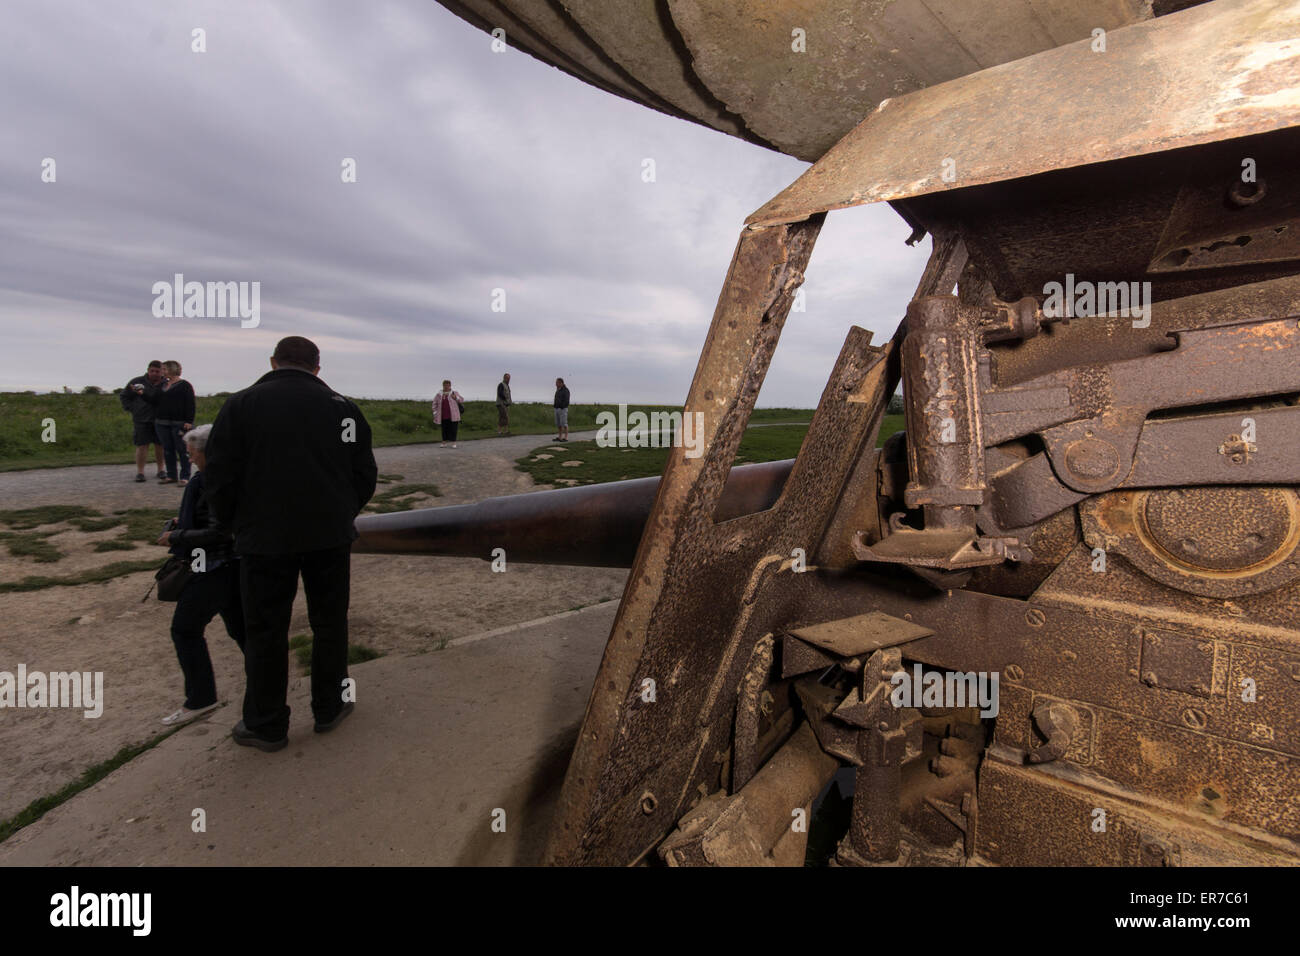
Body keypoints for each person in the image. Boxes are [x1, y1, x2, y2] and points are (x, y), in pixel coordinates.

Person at [204, 336, 377, 751]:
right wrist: (342, 512)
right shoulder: (343, 409)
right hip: (329, 537)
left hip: (264, 539)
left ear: (273, 362)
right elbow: (364, 474)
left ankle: (265, 724)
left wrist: (233, 524)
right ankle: (330, 706)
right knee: (330, 623)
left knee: (265, 630)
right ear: (318, 367)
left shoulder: (241, 406)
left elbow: (220, 477)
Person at [154, 424, 245, 726]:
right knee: (243, 631)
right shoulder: (233, 474)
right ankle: (269, 684)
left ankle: (201, 699)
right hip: (234, 565)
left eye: (192, 454)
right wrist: (188, 519)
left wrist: (176, 537)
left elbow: (220, 532)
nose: (189, 458)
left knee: (185, 630)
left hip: (213, 568)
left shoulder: (210, 480)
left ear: (207, 451)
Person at [121, 360, 165, 482]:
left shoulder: (166, 383)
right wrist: (132, 408)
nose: (155, 373)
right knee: (142, 445)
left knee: (160, 445)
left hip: (160, 418)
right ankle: (140, 472)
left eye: (158, 371)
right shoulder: (137, 382)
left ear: (162, 371)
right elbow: (124, 396)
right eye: (152, 371)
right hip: (141, 419)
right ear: (148, 370)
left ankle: (161, 470)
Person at [154, 360, 195, 485]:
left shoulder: (185, 385)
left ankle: (185, 476)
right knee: (167, 449)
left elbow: (190, 403)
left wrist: (189, 421)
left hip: (179, 422)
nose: (162, 372)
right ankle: (171, 475)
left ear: (172, 369)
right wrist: (141, 393)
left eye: (164, 369)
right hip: (162, 422)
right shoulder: (162, 385)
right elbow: (154, 399)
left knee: (182, 450)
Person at [431, 379, 464, 448]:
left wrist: (456, 398)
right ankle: (444, 442)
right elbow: (434, 403)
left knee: (454, 429)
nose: (446, 386)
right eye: (445, 385)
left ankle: (454, 443)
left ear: (450, 386)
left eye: (448, 385)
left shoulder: (454, 393)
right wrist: (435, 412)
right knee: (444, 429)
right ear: (443, 386)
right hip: (443, 415)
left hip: (454, 415)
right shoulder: (439, 394)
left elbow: (461, 400)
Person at [553, 377, 570, 442]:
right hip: (556, 409)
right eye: (556, 383)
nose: (556, 384)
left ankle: (565, 438)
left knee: (564, 423)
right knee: (558, 424)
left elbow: (566, 400)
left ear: (561, 383)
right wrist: (555, 406)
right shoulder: (558, 390)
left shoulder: (565, 390)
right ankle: (560, 437)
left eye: (557, 383)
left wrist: (562, 407)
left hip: (563, 409)